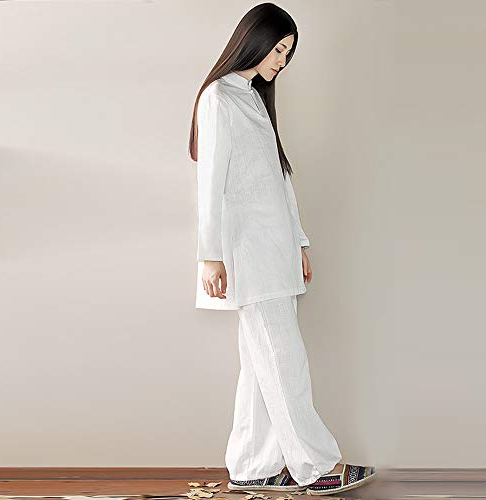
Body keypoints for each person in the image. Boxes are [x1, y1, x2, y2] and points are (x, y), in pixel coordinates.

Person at [188, 3, 376, 495]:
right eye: (278, 49)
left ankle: (252, 465)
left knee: (261, 366)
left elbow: (278, 181)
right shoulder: (219, 98)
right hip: (249, 255)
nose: (282, 61)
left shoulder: (253, 99)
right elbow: (211, 183)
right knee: (283, 362)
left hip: (276, 253)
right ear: (254, 40)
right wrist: (210, 255)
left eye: (287, 53)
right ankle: (317, 467)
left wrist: (299, 242)